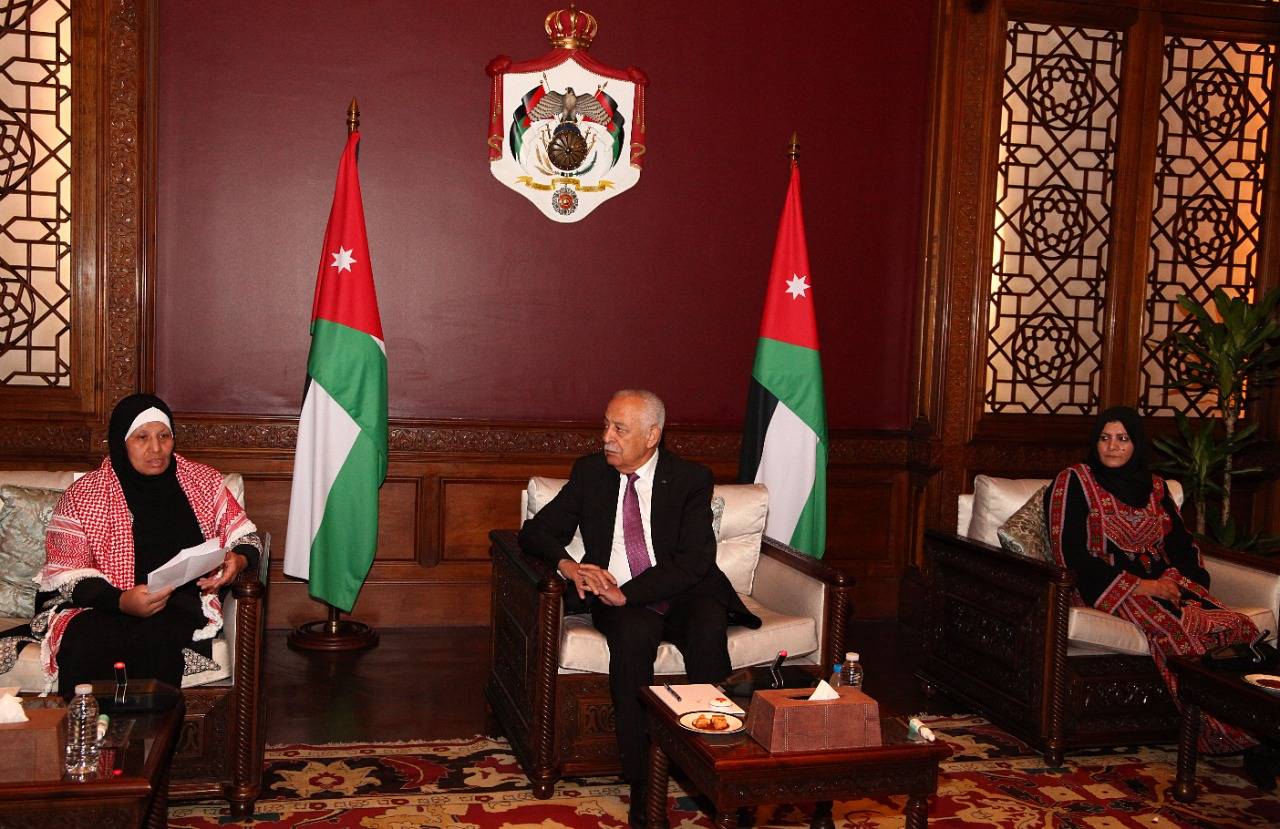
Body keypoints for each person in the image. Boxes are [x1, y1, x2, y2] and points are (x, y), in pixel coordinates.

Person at [519, 389, 760, 826]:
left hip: (682, 592)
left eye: (619, 429)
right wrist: (570, 567)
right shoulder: (591, 472)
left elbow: (694, 561)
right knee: (631, 641)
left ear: (652, 436)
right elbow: (535, 532)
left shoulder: (690, 478)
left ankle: (723, 775)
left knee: (708, 629)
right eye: (606, 425)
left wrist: (629, 593)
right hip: (616, 595)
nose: (606, 437)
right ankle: (644, 785)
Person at [1045, 406, 1276, 787]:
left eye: (1122, 438)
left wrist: (1180, 582)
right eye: (1105, 438)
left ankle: (1263, 727)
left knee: (1239, 627)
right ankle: (1241, 741)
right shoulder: (1074, 481)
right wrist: (1141, 585)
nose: (1112, 446)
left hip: (1167, 584)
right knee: (1179, 633)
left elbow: (1182, 546)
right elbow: (1069, 553)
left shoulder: (1155, 488)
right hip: (1109, 589)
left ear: (1136, 443)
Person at [30, 394, 262, 695]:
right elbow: (67, 572)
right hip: (101, 603)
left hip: (175, 603)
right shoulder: (84, 494)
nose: (156, 448)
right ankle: (86, 723)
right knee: (85, 639)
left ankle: (149, 726)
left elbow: (245, 536)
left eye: (164, 436)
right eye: (142, 437)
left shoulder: (202, 481)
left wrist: (239, 559)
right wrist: (122, 601)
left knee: (157, 638)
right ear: (121, 442)